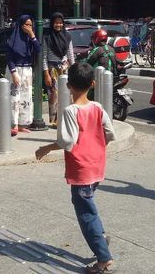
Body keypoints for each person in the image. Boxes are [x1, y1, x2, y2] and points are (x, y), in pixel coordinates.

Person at [36, 62, 115, 274]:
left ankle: (103, 259)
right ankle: (100, 237)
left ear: (69, 85)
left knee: (85, 214)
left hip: (81, 169)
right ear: (93, 83)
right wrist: (96, 147)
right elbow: (110, 133)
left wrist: (45, 148)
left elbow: (66, 141)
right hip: (97, 166)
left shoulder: (70, 111)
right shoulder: (97, 107)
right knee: (88, 206)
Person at [6, 15, 41, 136]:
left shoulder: (30, 39)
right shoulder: (13, 39)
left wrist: (32, 34)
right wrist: (14, 73)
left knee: (25, 99)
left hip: (27, 70)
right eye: (26, 24)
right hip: (15, 70)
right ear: (20, 25)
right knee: (14, 98)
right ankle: (13, 124)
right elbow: (9, 58)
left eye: (30, 25)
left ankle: (22, 124)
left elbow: (38, 49)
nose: (28, 27)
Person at [43, 12, 75, 127]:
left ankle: (66, 118)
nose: (58, 25)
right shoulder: (47, 37)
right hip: (52, 69)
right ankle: (55, 121)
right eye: (56, 23)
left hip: (65, 68)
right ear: (52, 24)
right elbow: (44, 56)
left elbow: (71, 54)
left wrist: (74, 68)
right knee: (53, 94)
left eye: (60, 23)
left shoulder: (67, 36)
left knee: (67, 93)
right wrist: (46, 74)